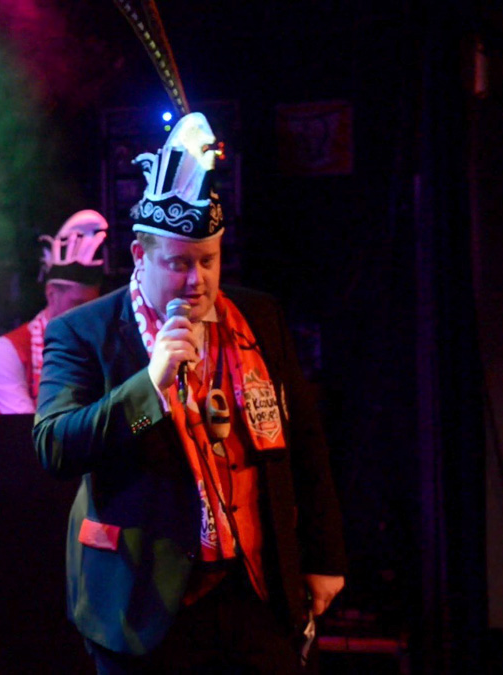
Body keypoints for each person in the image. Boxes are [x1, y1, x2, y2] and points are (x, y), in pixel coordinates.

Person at [33, 113, 347, 673]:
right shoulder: (84, 332)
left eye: (208, 261)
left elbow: (305, 439)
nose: (197, 280)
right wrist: (147, 386)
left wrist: (324, 555)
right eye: (178, 263)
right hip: (143, 601)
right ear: (140, 256)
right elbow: (55, 447)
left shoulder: (257, 317)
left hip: (255, 586)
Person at [0, 210, 107, 414]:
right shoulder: (9, 350)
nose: (87, 315)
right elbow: (24, 427)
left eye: (92, 306)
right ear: (51, 294)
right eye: (77, 303)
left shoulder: (101, 347)